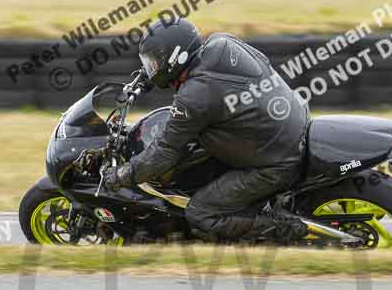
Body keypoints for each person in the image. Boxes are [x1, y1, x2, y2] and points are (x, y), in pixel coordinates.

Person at [103, 16, 310, 243]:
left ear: (175, 57)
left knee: (201, 213)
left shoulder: (195, 96)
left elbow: (164, 152)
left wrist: (124, 175)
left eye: (154, 62)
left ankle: (284, 229)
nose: (151, 67)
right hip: (290, 123)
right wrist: (146, 76)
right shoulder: (222, 43)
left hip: (276, 163)